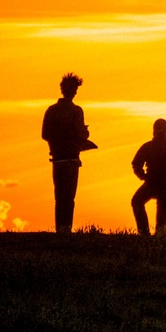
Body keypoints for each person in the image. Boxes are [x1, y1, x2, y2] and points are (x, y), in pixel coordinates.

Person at [41, 72, 92, 233]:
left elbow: (44, 134)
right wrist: (85, 132)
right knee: (68, 197)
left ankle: (59, 230)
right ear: (72, 91)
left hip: (56, 158)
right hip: (71, 158)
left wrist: (57, 141)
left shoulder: (51, 110)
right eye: (75, 89)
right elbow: (81, 135)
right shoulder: (76, 110)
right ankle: (65, 230)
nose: (75, 92)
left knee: (59, 197)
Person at [131, 118, 166, 235]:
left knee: (137, 201)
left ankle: (144, 232)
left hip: (155, 185)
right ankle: (148, 232)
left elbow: (136, 164)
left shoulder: (149, 147)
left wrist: (144, 176)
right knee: (139, 201)